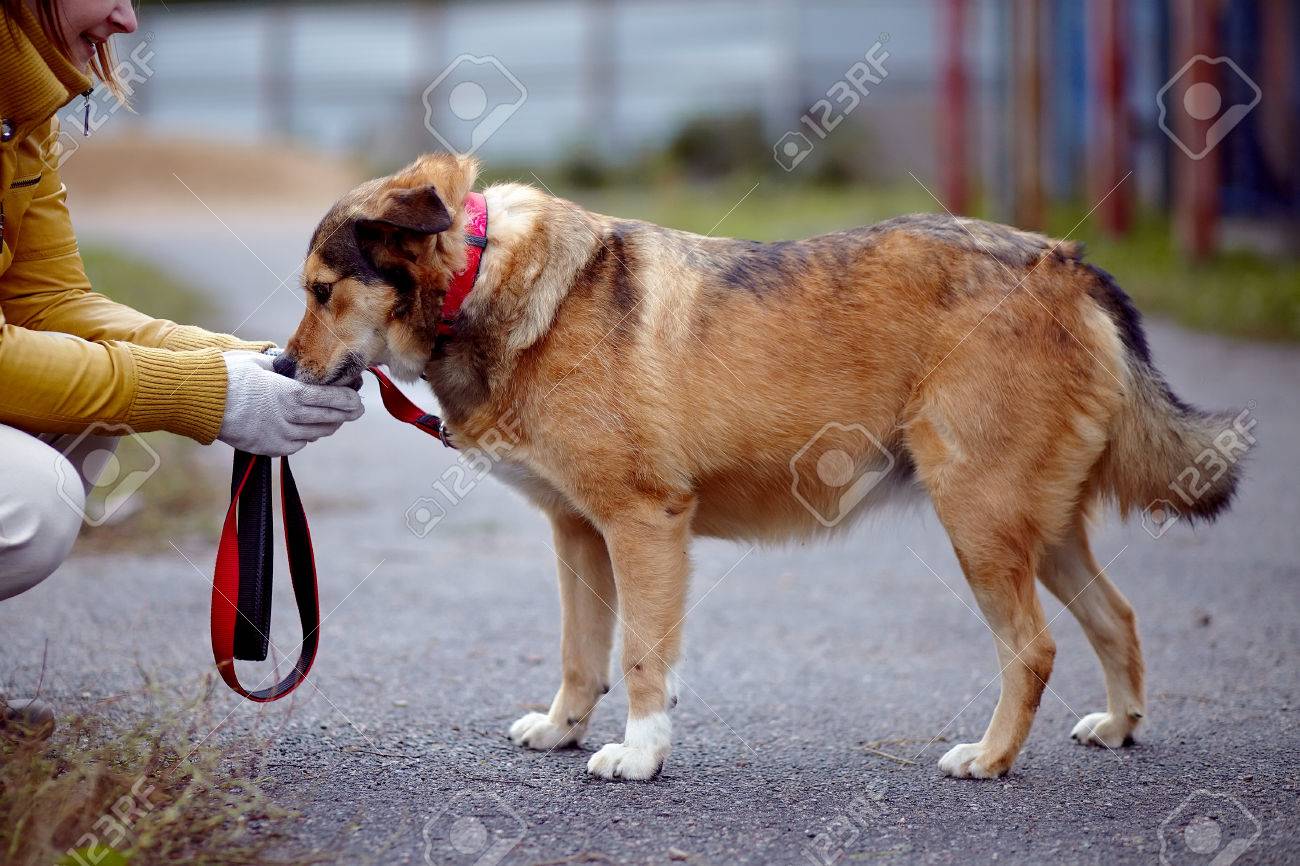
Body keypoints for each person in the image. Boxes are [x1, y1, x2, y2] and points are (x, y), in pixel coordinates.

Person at [0, 0, 364, 735]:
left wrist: (235, 360)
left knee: (86, 422)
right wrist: (207, 393)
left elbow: (47, 301)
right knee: (31, 501)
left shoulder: (22, 114)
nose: (127, 19)